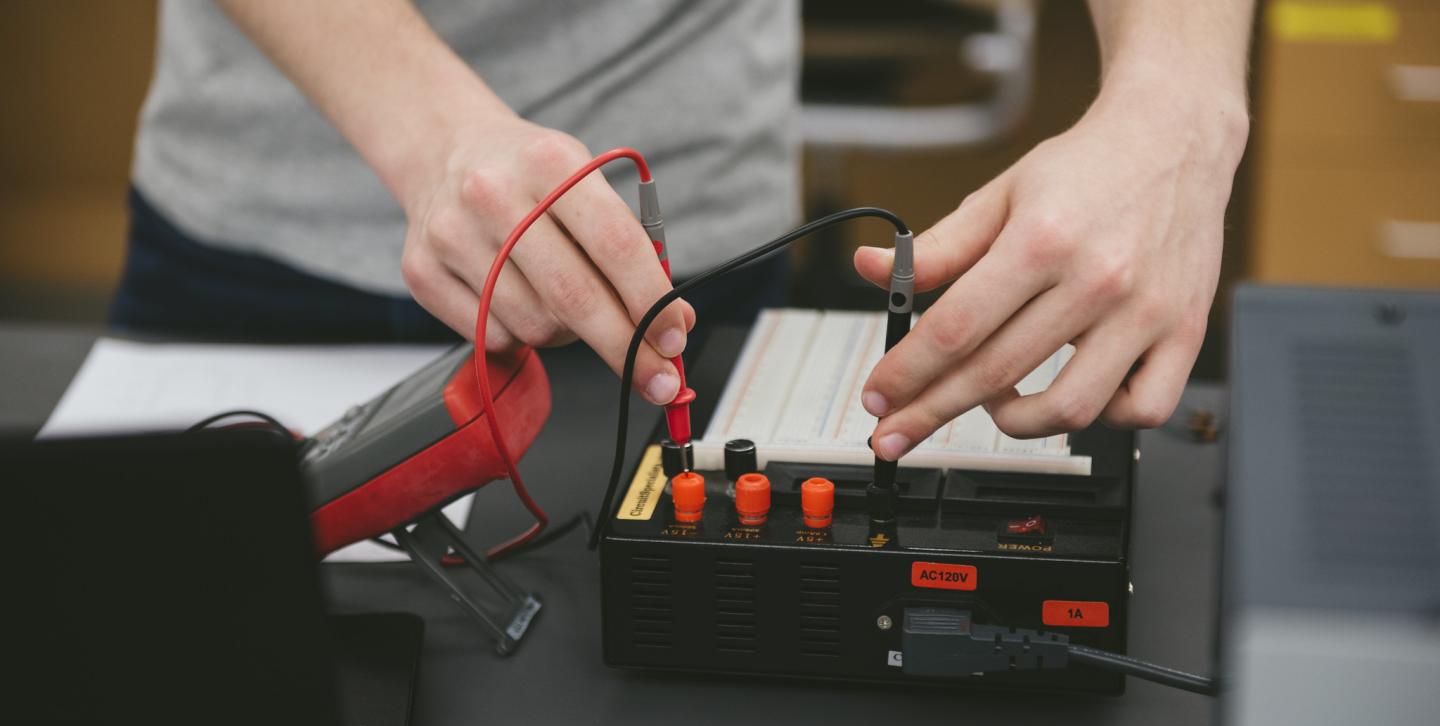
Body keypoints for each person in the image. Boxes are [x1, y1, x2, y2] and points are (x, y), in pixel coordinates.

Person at [115, 0, 1254, 458]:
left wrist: (1180, 109)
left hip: (688, 281)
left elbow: (1179, 96)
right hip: (259, 246)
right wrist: (425, 135)